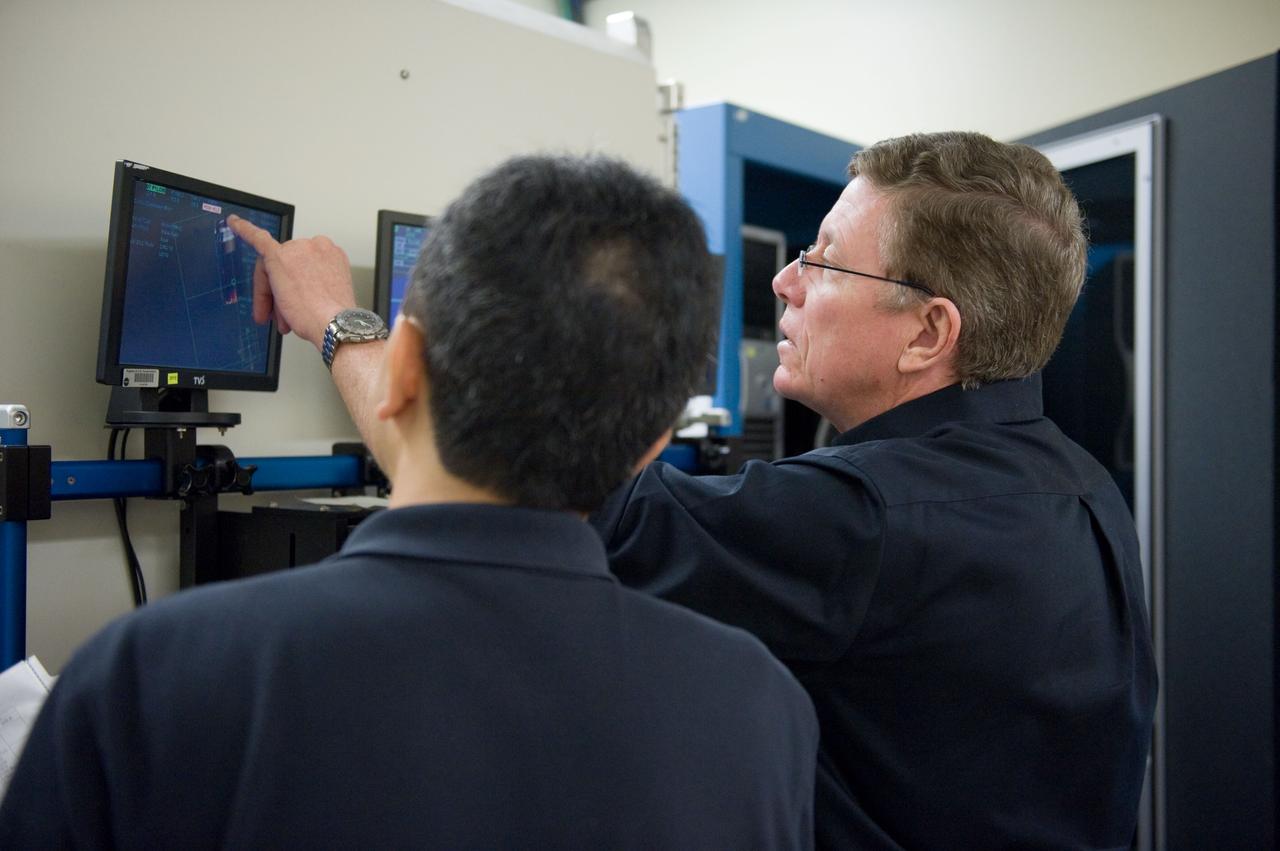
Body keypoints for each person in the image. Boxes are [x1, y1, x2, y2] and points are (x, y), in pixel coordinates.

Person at [165, 131, 1157, 848]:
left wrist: (341, 323)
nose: (785, 283)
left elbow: (519, 483)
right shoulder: (1076, 481)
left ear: (926, 332)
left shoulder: (864, 517)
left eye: (821, 260)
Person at [0, 155, 818, 849]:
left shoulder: (152, 679)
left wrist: (334, 325)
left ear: (402, 368)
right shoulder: (756, 708)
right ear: (651, 440)